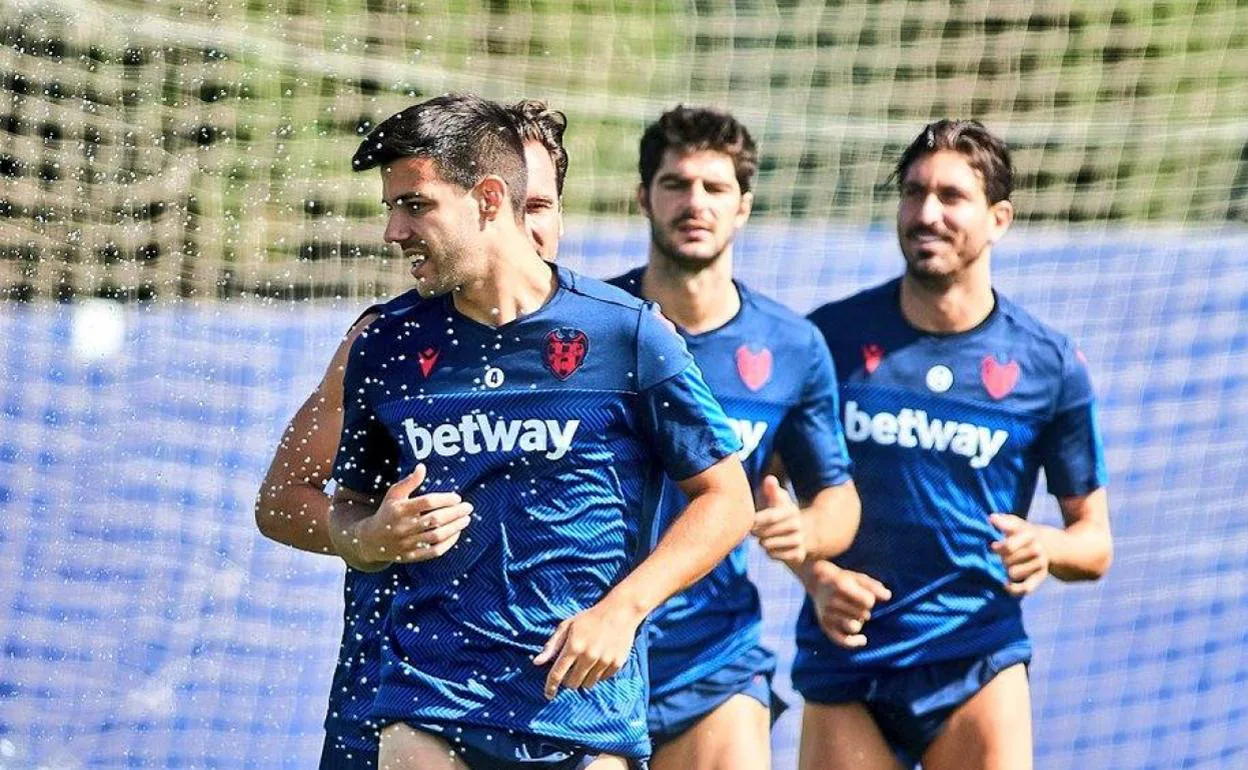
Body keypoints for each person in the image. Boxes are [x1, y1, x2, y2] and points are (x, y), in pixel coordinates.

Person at [329, 93, 755, 770]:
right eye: (391, 208)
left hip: (582, 708)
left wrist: (624, 611)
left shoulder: (627, 332)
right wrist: (368, 537)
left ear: (489, 199)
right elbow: (346, 506)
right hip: (429, 700)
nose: (394, 231)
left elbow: (728, 500)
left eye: (415, 205)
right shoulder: (387, 346)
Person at [252, 99, 570, 769]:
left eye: (537, 206)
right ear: (485, 202)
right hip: (390, 698)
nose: (522, 223)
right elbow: (281, 500)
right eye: (514, 204)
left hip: (556, 708)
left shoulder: (607, 344)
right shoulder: (384, 342)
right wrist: (365, 538)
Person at [795, 119, 1113, 770]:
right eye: (913, 193)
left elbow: (1095, 542)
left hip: (976, 657)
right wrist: (817, 576)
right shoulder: (827, 339)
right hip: (847, 658)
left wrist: (1045, 546)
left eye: (951, 197)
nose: (926, 213)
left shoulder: (1049, 364)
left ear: (999, 219)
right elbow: (761, 491)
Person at [607, 105, 861, 770]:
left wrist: (806, 535)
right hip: (590, 648)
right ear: (643, 197)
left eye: (715, 188)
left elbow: (838, 500)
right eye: (676, 184)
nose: (695, 203)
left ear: (743, 206)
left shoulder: (793, 347)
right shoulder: (588, 331)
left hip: (713, 659)